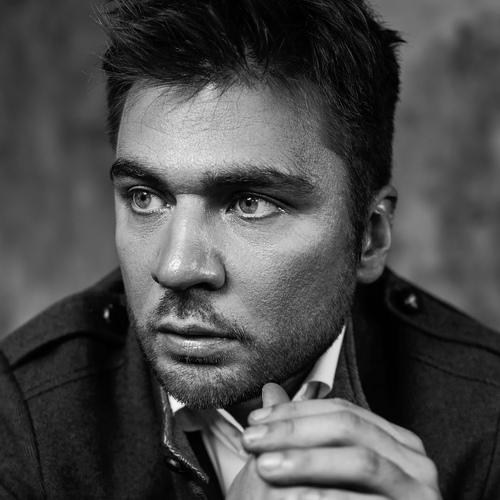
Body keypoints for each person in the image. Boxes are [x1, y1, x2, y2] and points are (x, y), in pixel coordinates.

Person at [1, 0, 499, 498]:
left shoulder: (488, 420)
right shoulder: (24, 415)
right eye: (145, 197)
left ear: (369, 237)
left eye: (249, 203)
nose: (175, 268)